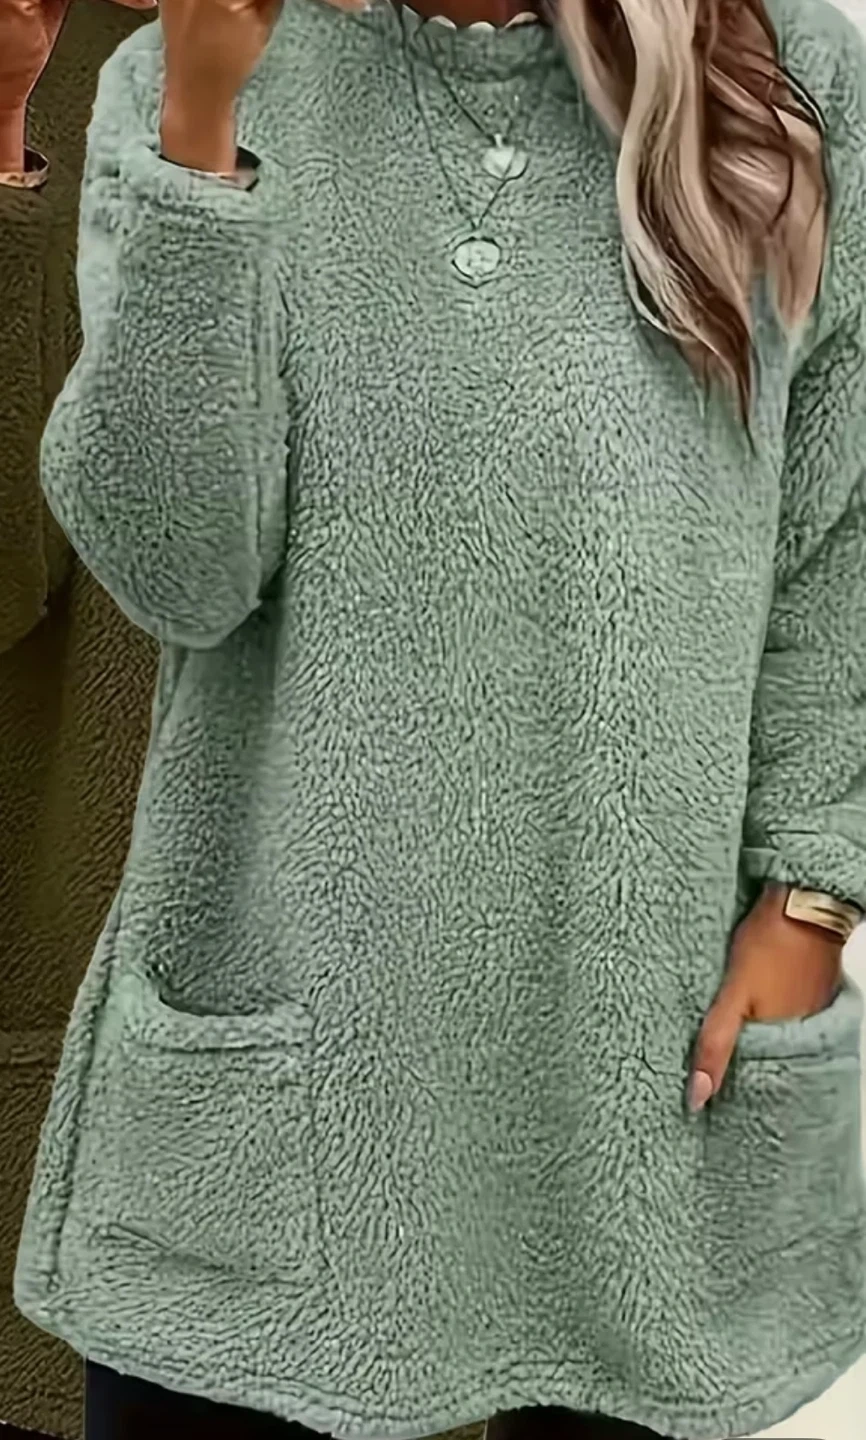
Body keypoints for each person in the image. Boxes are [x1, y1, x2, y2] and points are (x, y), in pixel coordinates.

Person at [12, 0, 866, 1436]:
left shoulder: (793, 76)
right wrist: (201, 141)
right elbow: (179, 576)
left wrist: (812, 895)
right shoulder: (181, 79)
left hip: (638, 1087)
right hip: (294, 1090)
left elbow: (840, 541)